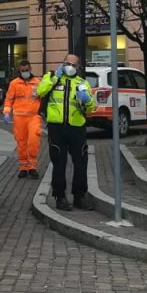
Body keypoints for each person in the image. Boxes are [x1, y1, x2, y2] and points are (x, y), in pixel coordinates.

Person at [36, 53, 96, 211]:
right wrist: (54, 77)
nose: (69, 67)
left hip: (77, 127)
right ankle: (60, 197)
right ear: (62, 64)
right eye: (66, 63)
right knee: (59, 163)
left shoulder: (82, 83)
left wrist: (87, 100)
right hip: (57, 128)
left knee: (81, 162)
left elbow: (91, 108)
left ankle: (79, 196)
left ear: (78, 68)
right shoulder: (52, 78)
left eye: (73, 65)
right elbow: (40, 91)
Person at [3, 60, 43, 178]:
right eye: (22, 70)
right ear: (19, 71)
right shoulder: (14, 83)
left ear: (30, 69)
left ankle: (32, 167)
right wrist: (6, 112)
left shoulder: (37, 83)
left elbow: (43, 98)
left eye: (26, 70)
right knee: (21, 143)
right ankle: (23, 167)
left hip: (34, 116)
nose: (25, 72)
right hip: (19, 117)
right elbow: (9, 99)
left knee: (33, 141)